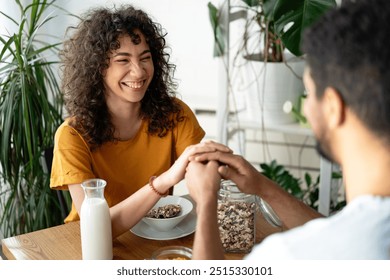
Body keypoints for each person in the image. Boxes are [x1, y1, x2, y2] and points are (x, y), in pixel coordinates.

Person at [185, 0, 390, 259]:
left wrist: (206, 201)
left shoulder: (288, 257)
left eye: (308, 93)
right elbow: (335, 234)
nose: (305, 109)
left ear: (333, 107)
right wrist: (263, 187)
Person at [49, 5, 230, 239]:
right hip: (92, 246)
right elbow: (97, 229)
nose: (138, 72)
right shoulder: (72, 135)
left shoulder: (176, 114)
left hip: (156, 237)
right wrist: (164, 181)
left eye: (145, 58)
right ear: (97, 68)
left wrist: (212, 167)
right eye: (123, 60)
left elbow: (199, 173)